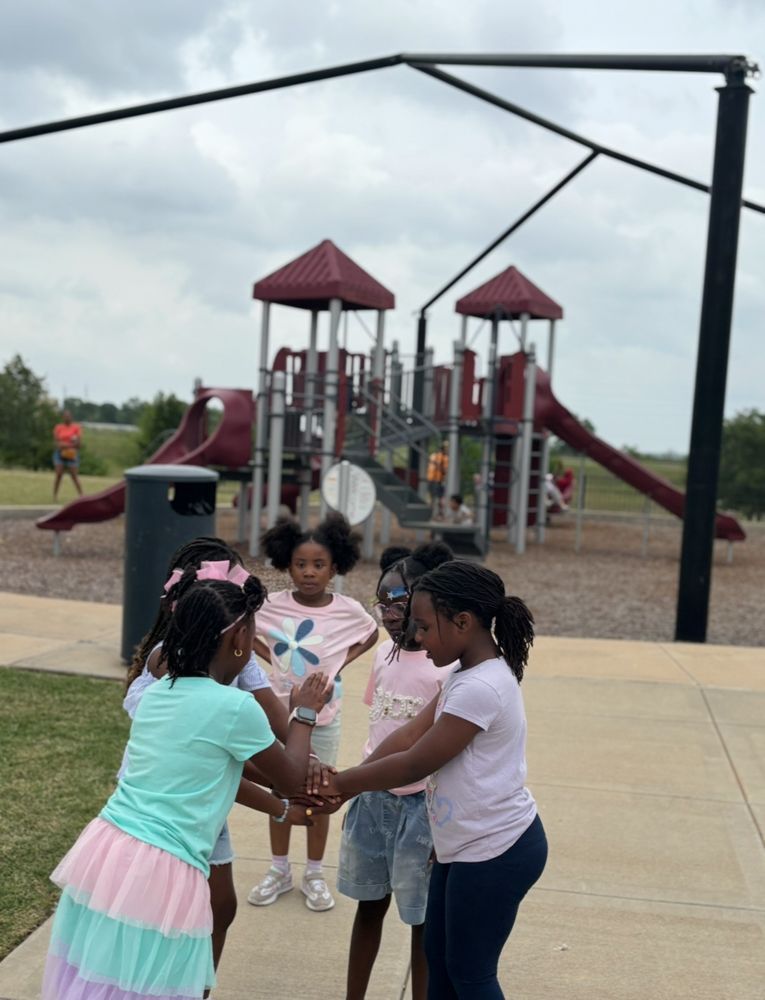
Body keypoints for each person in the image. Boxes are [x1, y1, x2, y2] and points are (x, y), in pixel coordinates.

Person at [42, 568, 329, 1000]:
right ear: (237, 641)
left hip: (109, 850)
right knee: (157, 984)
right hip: (165, 867)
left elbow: (215, 774)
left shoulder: (159, 692)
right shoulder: (235, 708)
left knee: (104, 977)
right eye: (251, 633)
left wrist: (285, 809)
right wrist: (304, 711)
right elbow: (289, 778)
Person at [318, 561, 547, 999]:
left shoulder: (481, 687)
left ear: (463, 622)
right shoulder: (464, 674)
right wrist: (346, 782)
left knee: (470, 972)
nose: (416, 637)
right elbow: (407, 736)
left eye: (423, 626)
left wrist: (341, 784)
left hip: (497, 851)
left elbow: (414, 763)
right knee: (440, 962)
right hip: (461, 847)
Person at [122, 536, 294, 987]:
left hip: (201, 799)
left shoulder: (231, 664)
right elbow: (218, 761)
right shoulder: (170, 667)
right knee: (172, 917)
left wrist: (291, 779)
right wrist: (288, 788)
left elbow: (273, 733)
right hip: (166, 807)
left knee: (220, 906)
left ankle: (196, 988)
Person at [339, 541, 455, 1000]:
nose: (386, 611)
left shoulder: (442, 668)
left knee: (421, 920)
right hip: (373, 801)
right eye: (380, 600)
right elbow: (380, 724)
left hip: (420, 810)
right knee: (369, 908)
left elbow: (437, 748)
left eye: (397, 601)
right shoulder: (383, 656)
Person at [247, 513, 379, 912]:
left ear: (335, 567)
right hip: (277, 716)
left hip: (324, 717)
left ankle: (315, 872)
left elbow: (371, 632)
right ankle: (279, 868)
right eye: (300, 564)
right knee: (280, 789)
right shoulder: (270, 606)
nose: (308, 572)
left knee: (321, 792)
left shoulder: (348, 609)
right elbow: (245, 629)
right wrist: (269, 659)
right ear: (287, 564)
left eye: (318, 565)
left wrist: (340, 662)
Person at [52, 409, 83, 499]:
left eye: (68, 416)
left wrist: (65, 444)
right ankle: (55, 495)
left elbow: (78, 444)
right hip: (60, 453)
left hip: (72, 454)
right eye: (65, 416)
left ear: (71, 417)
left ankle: (81, 495)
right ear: (63, 417)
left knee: (74, 475)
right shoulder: (58, 427)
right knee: (58, 474)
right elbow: (57, 443)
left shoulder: (76, 427)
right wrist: (69, 444)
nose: (67, 418)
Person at [426, 442, 449, 519]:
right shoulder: (442, 457)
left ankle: (434, 513)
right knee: (438, 498)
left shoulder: (434, 456)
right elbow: (444, 470)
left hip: (433, 479)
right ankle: (437, 514)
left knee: (435, 498)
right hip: (436, 479)